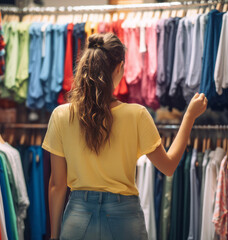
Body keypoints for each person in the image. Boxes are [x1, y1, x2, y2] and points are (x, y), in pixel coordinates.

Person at [42, 33, 207, 240]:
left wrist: (55, 235)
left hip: (78, 216)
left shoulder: (61, 115)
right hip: (123, 217)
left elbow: (57, 185)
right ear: (119, 67)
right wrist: (189, 116)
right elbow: (169, 166)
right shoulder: (136, 115)